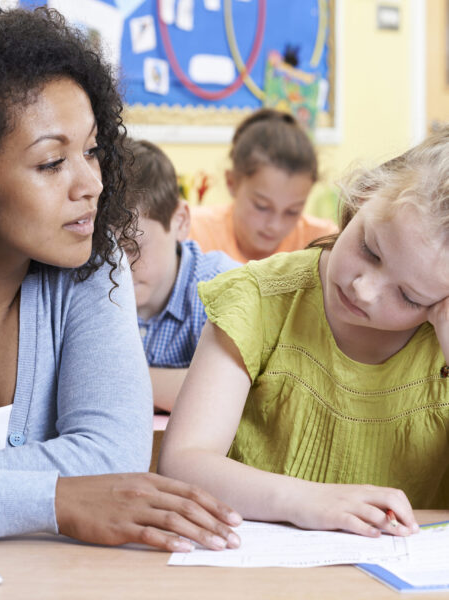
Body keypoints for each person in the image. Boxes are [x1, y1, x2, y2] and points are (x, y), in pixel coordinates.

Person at [0, 7, 242, 552]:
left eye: (93, 150)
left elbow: (113, 456)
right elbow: (87, 487)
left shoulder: (95, 263)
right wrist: (56, 499)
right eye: (51, 163)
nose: (91, 183)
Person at [159, 129, 449, 538]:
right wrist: (309, 501)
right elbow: (183, 463)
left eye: (408, 295)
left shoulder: (438, 344)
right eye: (370, 248)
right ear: (362, 196)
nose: (363, 290)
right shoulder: (259, 299)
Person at [122, 139, 240, 412]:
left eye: (131, 248)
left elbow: (227, 393)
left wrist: (114, 381)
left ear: (180, 222)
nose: (116, 267)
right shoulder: (84, 287)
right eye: (102, 251)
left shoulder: (222, 287)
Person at [188, 108, 337, 263]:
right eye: (262, 206)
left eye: (292, 212)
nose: (275, 226)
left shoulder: (322, 245)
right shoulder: (192, 235)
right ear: (231, 182)